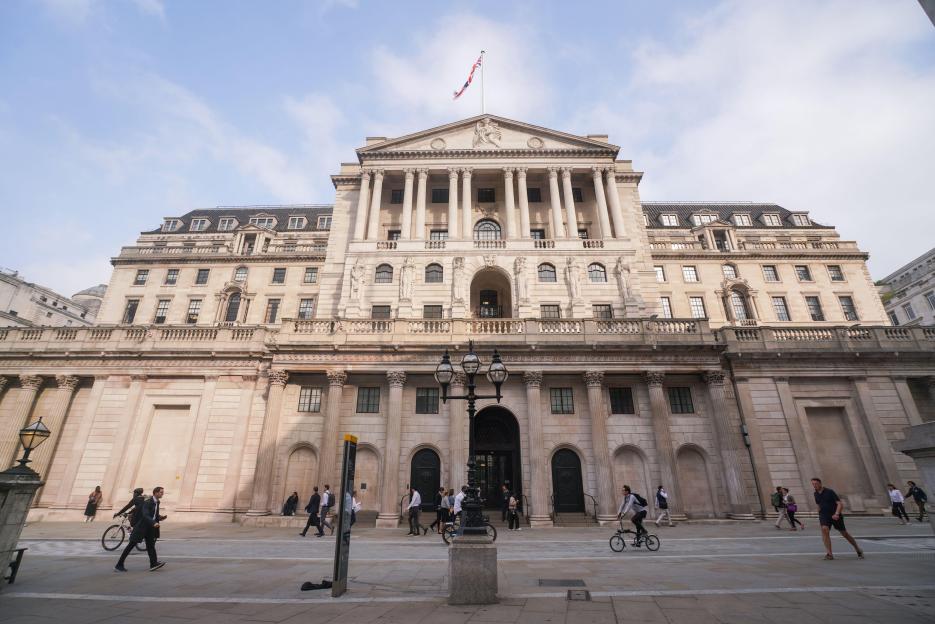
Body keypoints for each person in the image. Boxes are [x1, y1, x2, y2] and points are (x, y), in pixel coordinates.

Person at [115, 486, 166, 572]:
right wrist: (154, 522)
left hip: (150, 528)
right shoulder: (148, 501)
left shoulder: (157, 502)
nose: (162, 493)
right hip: (141, 527)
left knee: (150, 546)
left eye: (162, 492)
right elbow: (145, 514)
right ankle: (119, 565)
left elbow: (154, 514)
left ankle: (153, 564)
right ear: (156, 493)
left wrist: (159, 518)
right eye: (161, 492)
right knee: (130, 545)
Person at [811, 478, 863, 560]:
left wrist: (837, 514)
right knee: (824, 530)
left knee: (844, 533)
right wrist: (819, 513)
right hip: (824, 515)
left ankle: (858, 549)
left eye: (816, 483)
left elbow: (839, 504)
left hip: (835, 515)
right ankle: (829, 554)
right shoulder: (815, 494)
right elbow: (818, 504)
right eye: (813, 484)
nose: (814, 485)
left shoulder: (830, 492)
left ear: (820, 483)